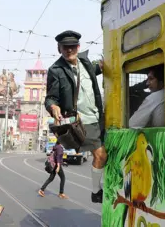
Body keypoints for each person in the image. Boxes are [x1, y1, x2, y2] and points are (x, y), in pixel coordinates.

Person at [45, 30, 107, 203]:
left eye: (72, 47)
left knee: (107, 155)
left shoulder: (86, 63)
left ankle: (102, 186)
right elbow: (50, 97)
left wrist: (104, 64)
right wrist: (54, 107)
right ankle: (96, 191)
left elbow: (99, 67)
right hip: (81, 122)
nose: (69, 50)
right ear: (59, 49)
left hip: (99, 116)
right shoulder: (56, 70)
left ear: (78, 47)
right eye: (65, 48)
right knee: (100, 155)